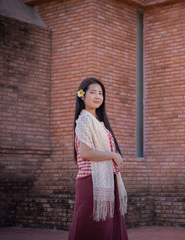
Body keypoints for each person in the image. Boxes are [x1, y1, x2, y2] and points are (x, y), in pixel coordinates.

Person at [68, 77, 128, 240]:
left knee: (108, 229)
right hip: (91, 181)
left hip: (106, 180)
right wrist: (114, 155)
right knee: (93, 229)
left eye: (100, 93)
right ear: (82, 96)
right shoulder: (84, 120)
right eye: (92, 92)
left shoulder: (99, 122)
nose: (97, 96)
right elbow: (86, 153)